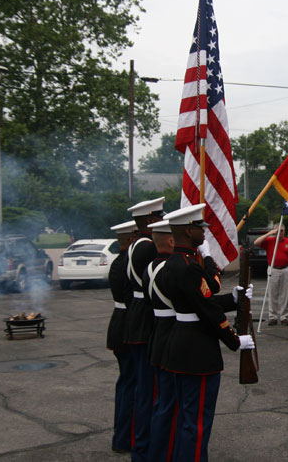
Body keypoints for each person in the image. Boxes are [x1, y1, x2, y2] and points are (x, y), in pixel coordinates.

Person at [160, 204, 254, 461]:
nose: (204, 233)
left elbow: (200, 302)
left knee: (186, 418)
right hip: (197, 351)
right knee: (197, 422)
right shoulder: (189, 267)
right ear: (189, 231)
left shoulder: (173, 263)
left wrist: (233, 299)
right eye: (200, 229)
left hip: (180, 344)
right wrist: (234, 340)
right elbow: (207, 310)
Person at [123, 196, 164, 461]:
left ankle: (141, 442)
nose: (163, 223)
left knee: (143, 388)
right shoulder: (148, 246)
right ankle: (144, 445)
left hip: (136, 314)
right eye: (159, 218)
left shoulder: (136, 242)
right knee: (148, 390)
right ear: (150, 221)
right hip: (146, 316)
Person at [145, 219, 176, 462]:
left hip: (158, 335)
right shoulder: (170, 268)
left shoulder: (151, 267)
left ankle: (157, 453)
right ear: (171, 240)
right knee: (168, 405)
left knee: (162, 404)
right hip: (171, 338)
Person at [106, 219, 137, 454]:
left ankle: (123, 436)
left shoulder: (120, 260)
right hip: (129, 326)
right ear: (131, 239)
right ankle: (126, 437)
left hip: (120, 323)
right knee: (131, 385)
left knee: (126, 383)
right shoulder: (128, 262)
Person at [254, 223, 288, 326]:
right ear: (275, 231)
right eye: (278, 231)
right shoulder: (269, 241)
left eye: (282, 231)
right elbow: (256, 243)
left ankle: (283, 316)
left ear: (284, 231)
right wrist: (269, 233)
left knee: (285, 294)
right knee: (272, 293)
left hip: (286, 269)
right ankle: (272, 316)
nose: (280, 233)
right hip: (273, 269)